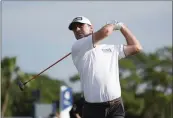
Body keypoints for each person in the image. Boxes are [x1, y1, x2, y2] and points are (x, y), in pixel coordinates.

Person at [68, 16, 142, 118]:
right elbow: (106, 31)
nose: (77, 29)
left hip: (116, 105)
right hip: (94, 108)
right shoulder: (77, 46)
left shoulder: (110, 49)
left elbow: (136, 47)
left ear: (91, 28)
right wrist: (113, 24)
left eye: (80, 26)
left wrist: (122, 27)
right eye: (74, 28)